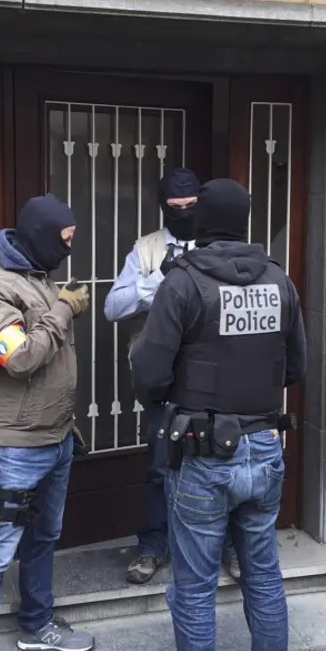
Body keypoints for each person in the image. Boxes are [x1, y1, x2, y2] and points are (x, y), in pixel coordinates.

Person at [130, 179, 307, 651]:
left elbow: (150, 374)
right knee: (263, 578)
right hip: (264, 448)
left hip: (204, 456)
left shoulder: (185, 282)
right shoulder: (279, 280)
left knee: (196, 588)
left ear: (202, 222)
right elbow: (295, 367)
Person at [0, 194, 94, 651]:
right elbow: (18, 358)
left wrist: (54, 300)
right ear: (40, 235)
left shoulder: (38, 277)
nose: (69, 247)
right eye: (64, 239)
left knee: (44, 538)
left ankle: (37, 625)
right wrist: (62, 308)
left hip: (56, 437)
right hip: (14, 445)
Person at [104, 168, 238, 585]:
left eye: (191, 207)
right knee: (160, 467)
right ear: (163, 207)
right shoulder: (146, 249)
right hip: (164, 380)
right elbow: (112, 306)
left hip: (217, 377)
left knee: (225, 463)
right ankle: (153, 546)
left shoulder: (220, 243)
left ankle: (231, 547)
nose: (183, 214)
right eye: (174, 208)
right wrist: (159, 282)